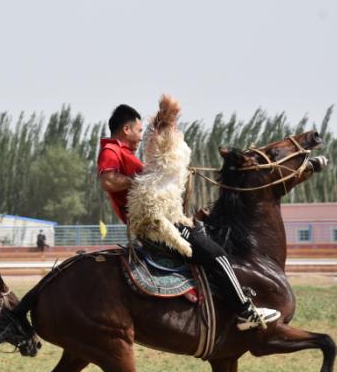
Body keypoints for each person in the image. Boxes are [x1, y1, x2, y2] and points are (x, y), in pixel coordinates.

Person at [98, 103, 279, 331]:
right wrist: (148, 179)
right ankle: (245, 312)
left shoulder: (126, 154)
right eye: (139, 130)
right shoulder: (111, 151)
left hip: (162, 217)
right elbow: (108, 181)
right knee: (217, 254)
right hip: (154, 224)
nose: (141, 135)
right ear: (127, 129)